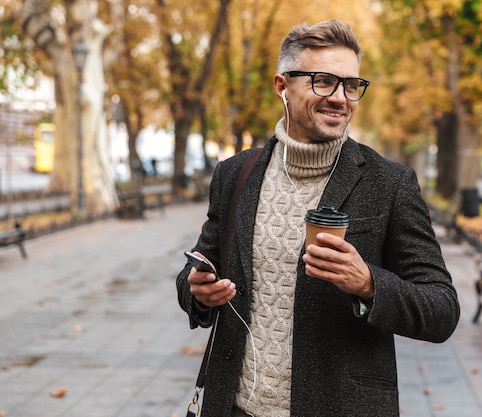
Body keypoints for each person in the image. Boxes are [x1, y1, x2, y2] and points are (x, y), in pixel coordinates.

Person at [176, 19, 460, 417]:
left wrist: (368, 285)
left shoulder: (390, 184)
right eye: (323, 81)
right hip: (235, 406)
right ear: (282, 86)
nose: (340, 97)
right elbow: (198, 273)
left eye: (351, 85)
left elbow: (442, 309)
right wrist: (198, 294)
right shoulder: (234, 174)